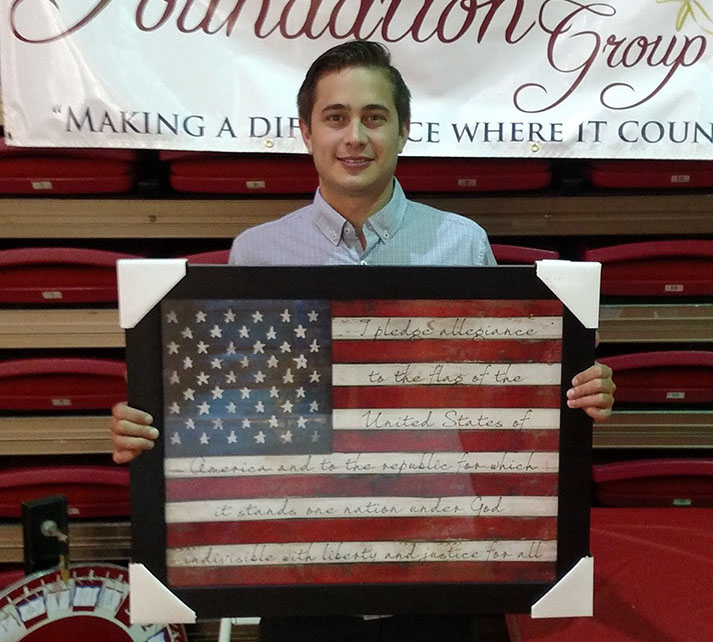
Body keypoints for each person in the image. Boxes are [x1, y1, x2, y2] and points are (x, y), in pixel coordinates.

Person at [111, 40, 615, 641]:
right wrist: (151, 424)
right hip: (302, 545)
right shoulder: (256, 254)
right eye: (336, 117)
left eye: (374, 117)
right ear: (306, 132)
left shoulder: (461, 244)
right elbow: (232, 407)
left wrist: (579, 391)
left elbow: (504, 396)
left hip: (437, 544)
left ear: (403, 130)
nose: (355, 136)